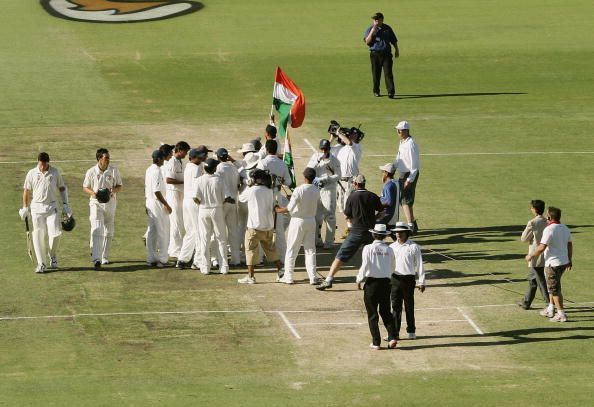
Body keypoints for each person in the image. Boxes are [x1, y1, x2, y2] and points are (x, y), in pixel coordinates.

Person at [317, 175, 384, 291]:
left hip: (356, 232)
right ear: (364, 184)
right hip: (371, 233)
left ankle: (329, 279)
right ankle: (378, 279)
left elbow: (346, 216)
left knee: (340, 256)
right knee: (374, 256)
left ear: (356, 184)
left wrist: (352, 222)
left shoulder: (352, 197)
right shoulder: (373, 196)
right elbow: (382, 212)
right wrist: (374, 219)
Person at [19, 152, 72, 273]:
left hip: (51, 207)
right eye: (40, 164)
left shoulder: (55, 172)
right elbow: (26, 191)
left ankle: (52, 255)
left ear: (48, 163)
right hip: (37, 209)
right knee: (38, 235)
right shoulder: (31, 173)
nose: (42, 167)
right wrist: (25, 208)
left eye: (44, 164)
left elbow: (62, 188)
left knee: (56, 233)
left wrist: (65, 204)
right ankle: (41, 263)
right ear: (38, 162)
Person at [526, 207, 573, 322]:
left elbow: (542, 247)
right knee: (551, 287)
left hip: (553, 264)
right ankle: (550, 308)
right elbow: (569, 245)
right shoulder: (565, 228)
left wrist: (531, 255)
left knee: (554, 289)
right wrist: (569, 259)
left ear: (549, 217)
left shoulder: (549, 229)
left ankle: (561, 314)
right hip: (563, 262)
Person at [275, 168, 321, 285]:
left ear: (304, 177)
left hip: (298, 221)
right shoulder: (316, 190)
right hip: (311, 221)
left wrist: (278, 209)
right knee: (310, 250)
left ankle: (288, 276)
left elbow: (289, 208)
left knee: (292, 249)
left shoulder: (299, 190)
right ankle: (313, 277)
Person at [356, 224, 398, 350]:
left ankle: (376, 342)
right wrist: (387, 275)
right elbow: (393, 266)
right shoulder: (390, 249)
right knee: (386, 312)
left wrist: (359, 279)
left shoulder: (368, 248)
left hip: (372, 284)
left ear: (373, 234)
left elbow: (365, 265)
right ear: (385, 236)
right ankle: (392, 337)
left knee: (372, 314)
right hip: (386, 283)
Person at [237, 168, 283, 284]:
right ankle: (281, 271)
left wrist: (248, 186)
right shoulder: (269, 190)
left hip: (254, 227)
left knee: (250, 251)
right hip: (268, 226)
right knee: (271, 250)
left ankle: (251, 277)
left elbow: (241, 198)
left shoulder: (252, 190)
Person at [82, 148, 123, 269]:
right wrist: (93, 193)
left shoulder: (114, 171)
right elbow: (85, 187)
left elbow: (120, 186)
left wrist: (112, 191)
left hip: (110, 203)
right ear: (99, 159)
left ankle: (104, 257)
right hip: (96, 203)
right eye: (106, 158)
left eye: (109, 158)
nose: (108, 160)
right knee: (97, 228)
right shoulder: (91, 172)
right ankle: (96, 258)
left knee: (109, 231)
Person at [390, 222, 426, 339]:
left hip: (409, 279)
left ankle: (411, 331)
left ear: (406, 233)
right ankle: (394, 333)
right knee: (395, 307)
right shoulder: (391, 247)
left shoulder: (413, 247)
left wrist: (422, 281)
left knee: (409, 306)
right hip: (394, 279)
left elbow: (419, 264)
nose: (398, 234)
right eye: (396, 232)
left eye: (401, 232)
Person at [257, 139, 292, 260]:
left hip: (264, 196)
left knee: (261, 227)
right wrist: (280, 180)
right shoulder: (282, 164)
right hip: (277, 196)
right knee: (279, 230)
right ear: (276, 149)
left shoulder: (262, 163)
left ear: (266, 149)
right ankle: (282, 258)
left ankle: (260, 257)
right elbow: (289, 182)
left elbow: (257, 180)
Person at [194, 158, 229, 275]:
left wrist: (202, 205)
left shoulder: (199, 180)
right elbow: (226, 197)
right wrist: (219, 203)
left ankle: (205, 267)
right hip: (217, 209)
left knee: (204, 239)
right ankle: (224, 266)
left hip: (203, 209)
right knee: (221, 238)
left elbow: (195, 198)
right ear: (214, 169)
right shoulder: (220, 180)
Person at [177, 146, 209, 269]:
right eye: (202, 156)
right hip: (194, 201)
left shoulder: (189, 167)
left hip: (187, 201)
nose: (204, 157)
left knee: (191, 231)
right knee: (200, 231)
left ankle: (182, 259)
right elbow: (198, 187)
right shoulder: (196, 169)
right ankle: (198, 261)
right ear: (195, 157)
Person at [307, 139, 341, 249]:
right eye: (322, 149)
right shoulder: (315, 157)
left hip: (328, 190)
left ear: (329, 149)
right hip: (317, 189)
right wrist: (318, 160)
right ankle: (317, 240)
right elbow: (308, 170)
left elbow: (338, 175)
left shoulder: (335, 160)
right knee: (316, 217)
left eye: (325, 149)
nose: (323, 151)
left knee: (330, 217)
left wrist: (328, 178)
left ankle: (329, 242)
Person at [518, 199, 549, 310]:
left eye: (531, 208)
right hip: (546, 254)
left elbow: (524, 238)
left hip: (535, 255)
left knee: (541, 281)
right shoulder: (548, 221)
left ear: (534, 210)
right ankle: (526, 302)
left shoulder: (532, 222)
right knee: (532, 279)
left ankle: (549, 304)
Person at [144, 150, 172, 267]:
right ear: (159, 159)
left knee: (152, 231)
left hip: (150, 202)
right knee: (163, 231)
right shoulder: (156, 171)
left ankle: (151, 258)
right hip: (156, 203)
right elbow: (156, 191)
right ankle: (163, 260)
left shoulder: (149, 169)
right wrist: (166, 204)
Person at [164, 141, 190, 259]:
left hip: (179, 194)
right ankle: (175, 250)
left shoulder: (180, 161)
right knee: (176, 222)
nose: (186, 154)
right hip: (173, 195)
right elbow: (168, 180)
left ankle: (174, 248)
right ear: (180, 150)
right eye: (185, 151)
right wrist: (185, 182)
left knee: (179, 222)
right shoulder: (172, 162)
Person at [215, 147, 242, 266]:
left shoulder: (218, 169)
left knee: (218, 232)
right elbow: (237, 184)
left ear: (218, 157)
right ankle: (236, 259)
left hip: (223, 202)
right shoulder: (234, 168)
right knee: (233, 231)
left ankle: (218, 259)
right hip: (233, 201)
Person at [363, 12, 399, 98]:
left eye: (377, 19)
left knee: (388, 73)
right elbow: (367, 42)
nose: (375, 21)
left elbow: (393, 40)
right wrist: (373, 31)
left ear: (381, 20)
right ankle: (376, 91)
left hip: (386, 54)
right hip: (375, 54)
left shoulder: (387, 28)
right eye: (374, 19)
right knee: (376, 73)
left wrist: (397, 50)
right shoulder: (369, 29)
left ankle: (391, 92)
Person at [393, 120, 420, 233]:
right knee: (405, 199)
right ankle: (412, 223)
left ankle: (410, 227)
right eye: (397, 130)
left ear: (406, 131)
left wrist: (410, 179)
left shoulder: (411, 144)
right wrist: (393, 167)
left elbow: (414, 164)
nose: (398, 132)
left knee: (405, 200)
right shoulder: (402, 142)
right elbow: (399, 158)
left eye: (400, 130)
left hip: (409, 174)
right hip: (403, 173)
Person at [377, 163, 400, 231]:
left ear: (386, 173)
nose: (382, 174)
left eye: (383, 172)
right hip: (395, 216)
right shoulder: (396, 182)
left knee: (370, 223)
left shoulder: (388, 185)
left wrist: (376, 203)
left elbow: (389, 202)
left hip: (387, 216)